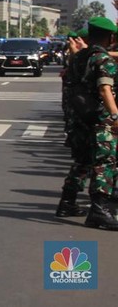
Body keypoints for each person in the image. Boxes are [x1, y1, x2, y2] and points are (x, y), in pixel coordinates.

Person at [80, 17, 118, 230]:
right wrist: (115, 116)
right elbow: (105, 89)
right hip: (102, 119)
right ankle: (98, 211)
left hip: (87, 117)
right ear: (110, 37)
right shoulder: (103, 60)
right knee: (105, 163)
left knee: (99, 162)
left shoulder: (84, 57)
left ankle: (102, 208)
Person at [55, 27, 96, 217]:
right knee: (101, 162)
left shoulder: (80, 58)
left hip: (81, 118)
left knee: (85, 162)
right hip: (94, 119)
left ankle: (69, 201)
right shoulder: (94, 58)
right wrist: (114, 115)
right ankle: (101, 207)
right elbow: (104, 90)